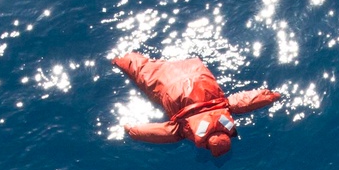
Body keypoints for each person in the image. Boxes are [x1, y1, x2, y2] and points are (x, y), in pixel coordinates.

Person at [112, 52, 281, 157]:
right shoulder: (186, 131)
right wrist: (132, 131)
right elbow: (160, 132)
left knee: (142, 68)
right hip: (170, 84)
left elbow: (245, 102)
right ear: (207, 146)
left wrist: (270, 96)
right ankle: (119, 58)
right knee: (142, 71)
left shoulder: (225, 110)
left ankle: (122, 56)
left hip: (196, 70)